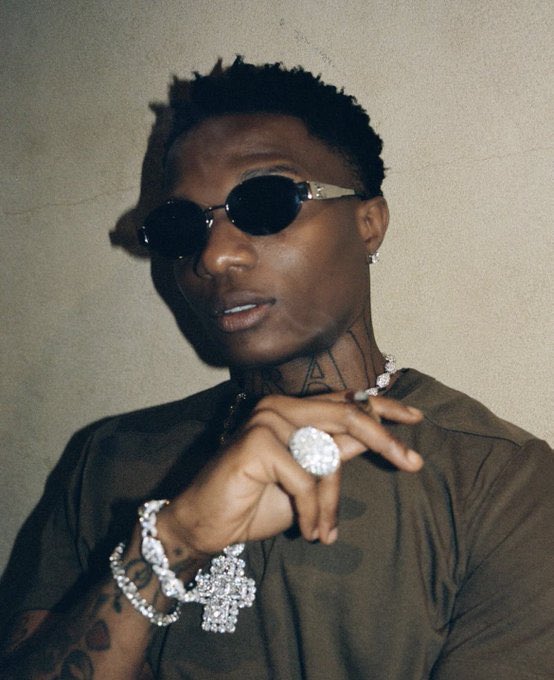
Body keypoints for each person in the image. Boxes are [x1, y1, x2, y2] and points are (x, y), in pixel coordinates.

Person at [1, 58, 553, 679]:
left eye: (264, 203)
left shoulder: (499, 483)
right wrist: (170, 543)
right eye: (183, 227)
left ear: (369, 224)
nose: (215, 256)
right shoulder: (109, 459)